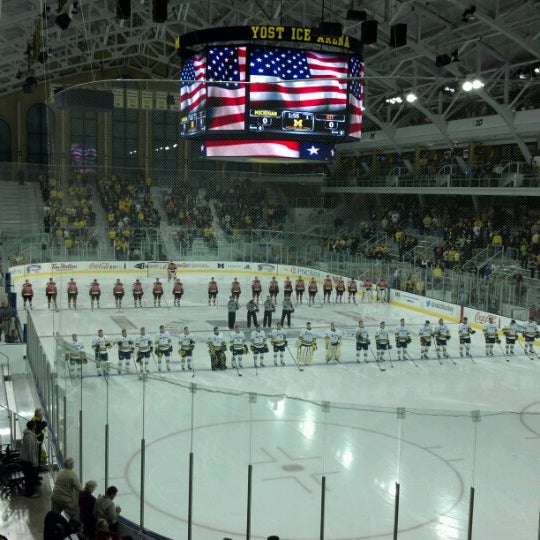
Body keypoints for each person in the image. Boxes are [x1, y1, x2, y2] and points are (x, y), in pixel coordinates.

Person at [20, 420, 39, 497]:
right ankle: (30, 493)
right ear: (32, 426)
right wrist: (34, 462)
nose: (36, 426)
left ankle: (30, 490)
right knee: (30, 477)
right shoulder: (30, 437)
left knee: (29, 477)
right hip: (29, 461)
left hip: (26, 460)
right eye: (35, 425)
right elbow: (31, 451)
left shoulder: (28, 435)